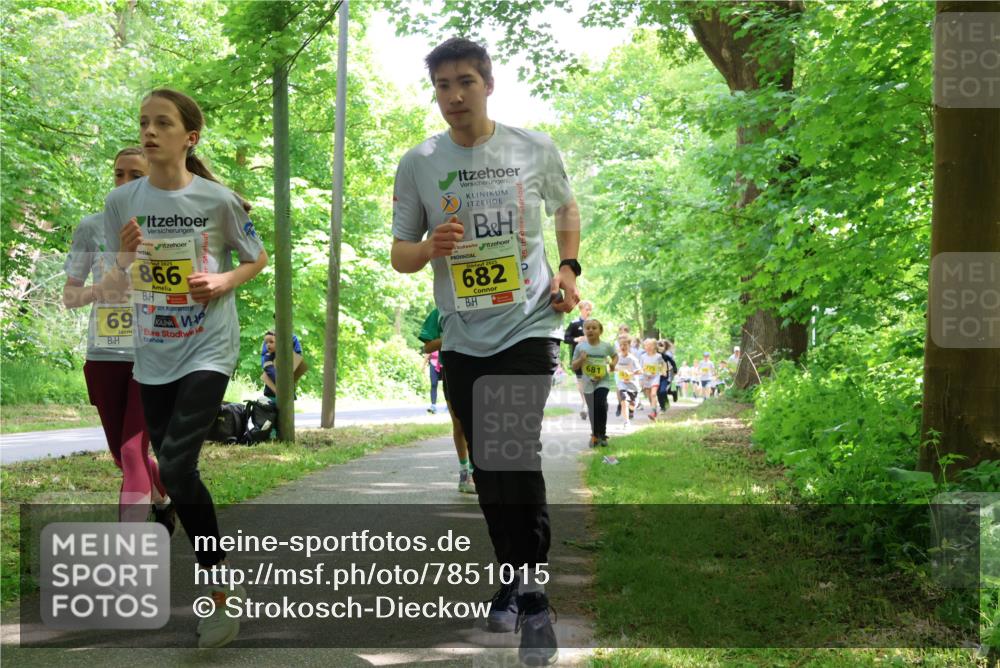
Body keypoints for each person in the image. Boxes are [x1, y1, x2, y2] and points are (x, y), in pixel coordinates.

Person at [390, 38, 580, 666]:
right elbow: (401, 256)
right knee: (493, 471)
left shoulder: (532, 148)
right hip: (463, 337)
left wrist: (569, 271)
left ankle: (533, 601)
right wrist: (432, 248)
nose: (453, 96)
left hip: (528, 325)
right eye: (442, 85)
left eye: (465, 82)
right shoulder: (418, 162)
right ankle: (516, 575)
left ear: (488, 84)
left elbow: (566, 206)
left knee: (509, 453)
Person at [101, 88, 267, 649]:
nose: (149, 131)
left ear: (188, 137)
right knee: (172, 471)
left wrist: (222, 281)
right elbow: (114, 285)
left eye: (162, 123)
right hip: (153, 351)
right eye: (143, 121)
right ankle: (172, 503)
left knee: (173, 460)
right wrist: (123, 261)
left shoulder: (218, 200)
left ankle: (220, 592)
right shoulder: (120, 203)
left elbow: (255, 258)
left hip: (208, 346)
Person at [63, 147, 174, 529]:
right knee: (122, 454)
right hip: (105, 353)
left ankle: (129, 549)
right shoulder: (90, 228)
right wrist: (102, 289)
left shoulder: (166, 227)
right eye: (118, 174)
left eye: (135, 176)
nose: (125, 183)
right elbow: (69, 296)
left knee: (131, 451)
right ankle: (162, 497)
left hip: (152, 355)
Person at [418, 307, 475, 494]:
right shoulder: (440, 312)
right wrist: (451, 339)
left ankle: (481, 474)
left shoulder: (482, 305)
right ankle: (465, 474)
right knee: (459, 424)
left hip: (482, 369)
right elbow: (427, 347)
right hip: (452, 371)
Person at [571, 318, 617, 447]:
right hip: (587, 383)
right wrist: (581, 359)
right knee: (592, 409)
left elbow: (615, 355)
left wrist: (613, 364)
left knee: (600, 404)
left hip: (603, 381)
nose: (590, 330)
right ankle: (595, 435)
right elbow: (574, 366)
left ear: (600, 331)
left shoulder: (606, 346)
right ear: (584, 331)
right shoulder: (580, 347)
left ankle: (602, 435)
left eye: (594, 328)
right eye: (588, 328)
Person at [563, 300, 593, 420]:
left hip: (591, 357)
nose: (589, 311)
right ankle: (585, 404)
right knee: (581, 381)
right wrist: (576, 340)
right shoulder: (574, 323)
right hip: (578, 357)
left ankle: (589, 403)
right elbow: (565, 338)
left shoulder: (594, 323)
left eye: (590, 309)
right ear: (581, 309)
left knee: (589, 380)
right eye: (587, 309)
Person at [260, 330, 306, 400]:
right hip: (272, 393)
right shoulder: (268, 357)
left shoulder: (292, 339)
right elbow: (270, 372)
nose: (268, 344)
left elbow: (297, 359)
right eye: (266, 343)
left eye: (271, 342)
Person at [614, 337, 641, 428]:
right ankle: (626, 422)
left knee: (632, 405)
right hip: (622, 384)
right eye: (621, 345)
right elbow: (612, 368)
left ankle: (632, 410)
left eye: (625, 345)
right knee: (624, 401)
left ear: (629, 346)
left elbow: (640, 371)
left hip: (633, 386)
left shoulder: (632, 359)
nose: (622, 347)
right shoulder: (617, 357)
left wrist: (631, 373)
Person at [638, 338, 665, 421]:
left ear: (654, 346)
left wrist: (662, 372)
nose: (648, 347)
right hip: (646, 378)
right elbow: (641, 368)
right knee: (649, 396)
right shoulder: (643, 356)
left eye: (650, 345)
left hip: (655, 377)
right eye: (646, 345)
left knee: (653, 394)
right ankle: (654, 409)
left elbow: (662, 365)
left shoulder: (658, 356)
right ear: (644, 347)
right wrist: (641, 379)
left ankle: (653, 412)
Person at [656, 339, 679, 412]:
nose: (660, 348)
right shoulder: (654, 355)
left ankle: (673, 393)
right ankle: (663, 406)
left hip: (666, 375)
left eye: (662, 346)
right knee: (658, 392)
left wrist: (675, 370)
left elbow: (673, 363)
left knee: (663, 391)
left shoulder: (666, 355)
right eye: (658, 346)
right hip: (656, 377)